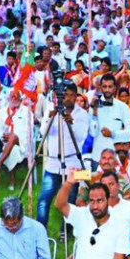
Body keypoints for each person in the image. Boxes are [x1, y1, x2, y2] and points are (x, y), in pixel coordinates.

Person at [36, 83, 89, 228]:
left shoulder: (82, 114)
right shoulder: (51, 110)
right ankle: (41, 230)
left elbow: (81, 136)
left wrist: (71, 122)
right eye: (66, 95)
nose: (69, 98)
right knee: (43, 199)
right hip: (53, 163)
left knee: (70, 199)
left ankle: (65, 231)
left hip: (73, 163)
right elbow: (43, 132)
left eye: (73, 95)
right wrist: (50, 118)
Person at [90, 73, 130, 168]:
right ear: (101, 88)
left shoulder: (123, 107)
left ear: (115, 88)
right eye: (104, 86)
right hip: (97, 156)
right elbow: (93, 133)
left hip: (116, 157)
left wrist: (113, 134)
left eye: (110, 87)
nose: (107, 90)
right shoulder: (94, 105)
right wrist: (94, 111)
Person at [0, 89, 31, 189]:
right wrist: (3, 135)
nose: (14, 99)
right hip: (8, 145)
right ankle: (12, 181)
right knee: (13, 150)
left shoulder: (26, 111)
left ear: (20, 98)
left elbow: (29, 130)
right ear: (8, 98)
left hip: (22, 142)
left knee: (14, 136)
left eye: (16, 96)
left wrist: (14, 136)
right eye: (12, 97)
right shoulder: (3, 111)